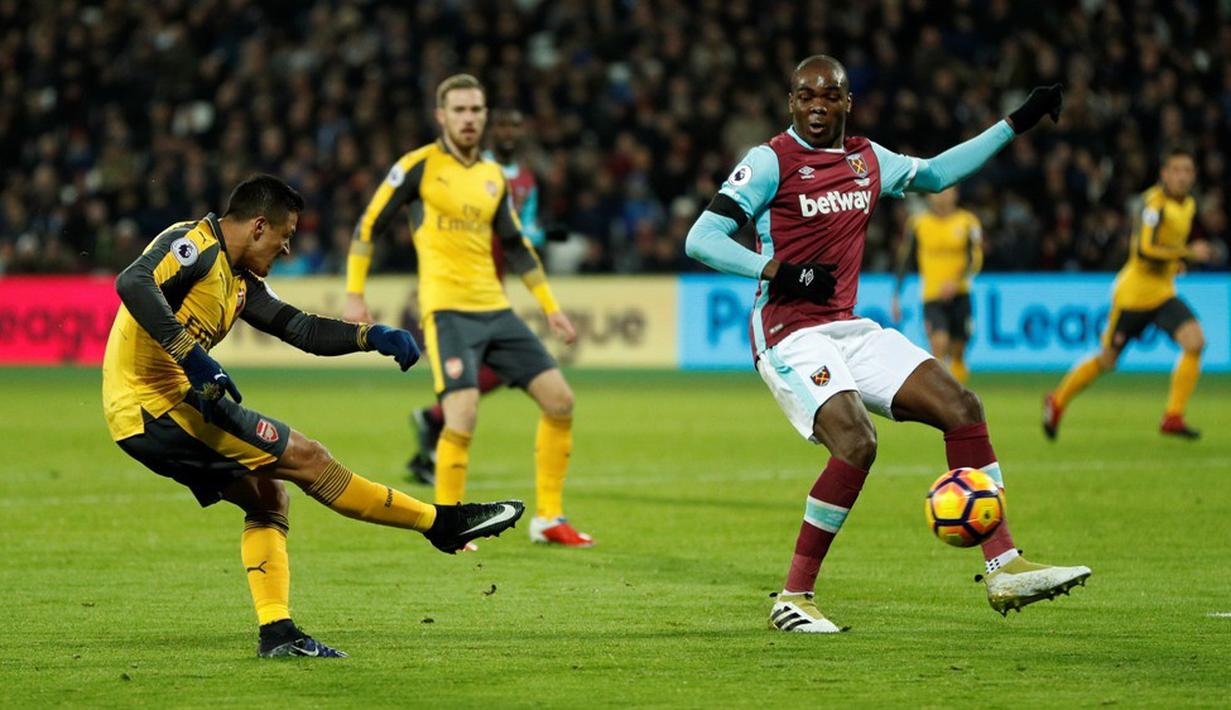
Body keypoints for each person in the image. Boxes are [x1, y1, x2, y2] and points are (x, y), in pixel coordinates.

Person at [684, 56, 1090, 633]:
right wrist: (779, 270)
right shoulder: (771, 160)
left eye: (829, 96)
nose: (816, 106)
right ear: (790, 103)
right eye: (805, 96)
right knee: (856, 441)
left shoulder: (868, 159)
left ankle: (1004, 566)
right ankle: (794, 597)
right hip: (787, 333)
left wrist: (1017, 121)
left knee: (963, 408)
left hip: (847, 327)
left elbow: (939, 174)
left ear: (848, 102)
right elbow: (701, 239)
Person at [102, 175, 526, 658]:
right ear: (259, 226)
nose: (286, 250)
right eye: (285, 237)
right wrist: (193, 356)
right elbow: (132, 282)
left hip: (163, 408)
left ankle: (277, 633)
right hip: (154, 405)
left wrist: (370, 336)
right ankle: (440, 524)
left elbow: (301, 329)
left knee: (268, 498)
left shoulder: (240, 282)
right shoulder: (192, 244)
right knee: (308, 458)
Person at [344, 75, 593, 547]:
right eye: (458, 110)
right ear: (441, 116)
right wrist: (355, 294)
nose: (469, 119)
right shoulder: (417, 167)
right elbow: (369, 223)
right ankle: (448, 524)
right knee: (463, 415)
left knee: (561, 401)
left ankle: (548, 518)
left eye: (476, 110)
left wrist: (551, 308)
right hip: (448, 312)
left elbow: (518, 247)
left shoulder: (492, 176)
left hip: (496, 310)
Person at [406, 107, 546, 484]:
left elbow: (527, 230)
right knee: (476, 378)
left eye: (514, 124)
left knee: (497, 371)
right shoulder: (472, 171)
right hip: (459, 286)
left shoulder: (527, 181)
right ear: (488, 130)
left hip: (493, 288)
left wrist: (541, 235)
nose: (508, 131)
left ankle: (430, 433)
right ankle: (436, 441)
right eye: (501, 124)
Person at [1044, 147, 1211, 440]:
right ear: (1165, 174)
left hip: (1163, 293)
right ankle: (1057, 401)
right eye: (1176, 170)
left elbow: (1165, 250)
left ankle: (1173, 416)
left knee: (1195, 342)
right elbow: (1144, 250)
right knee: (1108, 359)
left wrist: (1176, 262)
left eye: (1187, 170)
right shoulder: (1153, 205)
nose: (1182, 177)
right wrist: (1187, 253)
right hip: (1133, 296)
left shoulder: (1188, 205)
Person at [892, 187, 983, 384]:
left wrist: (956, 282)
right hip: (932, 296)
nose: (942, 196)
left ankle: (957, 388)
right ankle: (946, 396)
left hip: (960, 294)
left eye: (948, 191)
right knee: (939, 345)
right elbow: (905, 260)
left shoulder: (967, 222)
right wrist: (896, 296)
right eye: (938, 192)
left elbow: (975, 258)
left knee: (958, 352)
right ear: (930, 195)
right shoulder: (918, 223)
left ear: (956, 194)